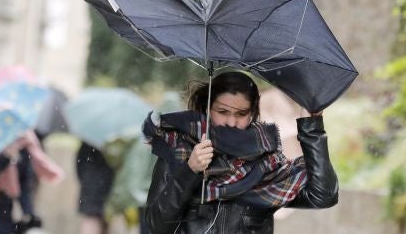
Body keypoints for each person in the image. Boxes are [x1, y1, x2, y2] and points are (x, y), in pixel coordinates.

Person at [142, 71, 339, 234]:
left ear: (253, 113)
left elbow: (323, 195)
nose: (231, 122)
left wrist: (311, 128)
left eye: (241, 114)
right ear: (208, 109)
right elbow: (156, 225)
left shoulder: (267, 165)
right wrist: (189, 171)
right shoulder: (180, 153)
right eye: (222, 112)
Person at [76, 141, 114, 234]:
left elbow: (79, 164)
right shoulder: (114, 139)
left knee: (93, 218)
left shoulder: (88, 139)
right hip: (102, 181)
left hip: (91, 182)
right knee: (94, 218)